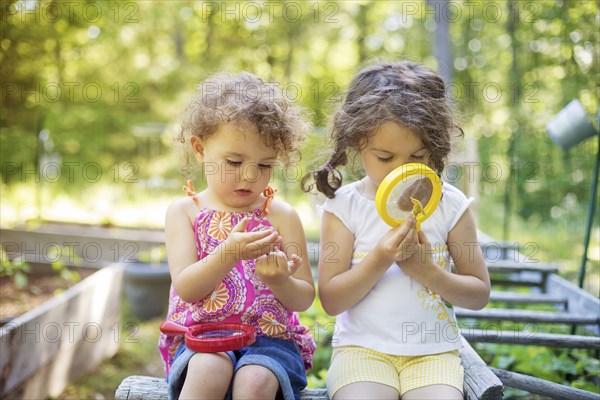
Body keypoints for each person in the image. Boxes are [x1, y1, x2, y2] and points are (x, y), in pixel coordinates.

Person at [302, 61, 491, 400]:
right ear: (358, 144)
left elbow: (478, 294)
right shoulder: (345, 206)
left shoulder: (449, 203)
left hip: (433, 354)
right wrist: (381, 257)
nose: (401, 172)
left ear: (434, 147)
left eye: (417, 156)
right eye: (386, 158)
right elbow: (331, 300)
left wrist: (426, 271)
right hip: (362, 351)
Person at [159, 71, 316, 400]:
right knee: (208, 370)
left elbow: (304, 297)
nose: (249, 176)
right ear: (200, 149)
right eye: (234, 161)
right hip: (201, 336)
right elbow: (187, 288)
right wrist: (228, 253)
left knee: (255, 381)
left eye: (264, 165)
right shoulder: (185, 211)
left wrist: (279, 281)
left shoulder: (282, 216)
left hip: (270, 341)